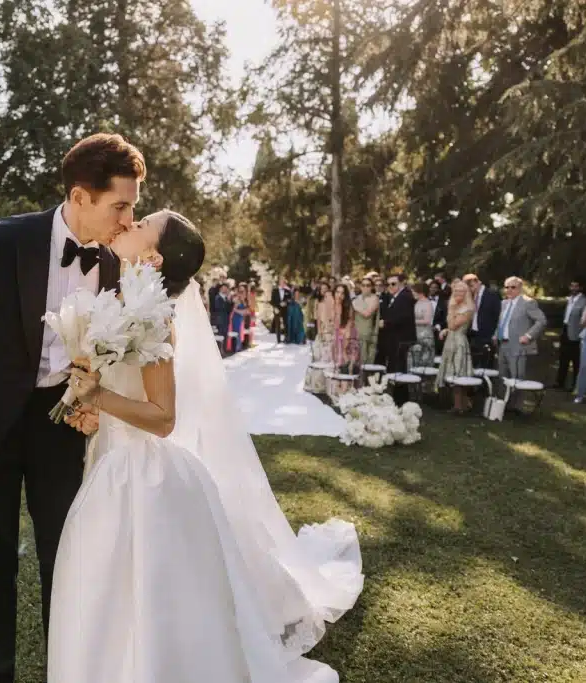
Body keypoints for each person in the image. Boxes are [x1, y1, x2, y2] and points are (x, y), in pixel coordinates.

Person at [53, 210, 363, 683]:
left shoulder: (153, 317)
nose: (127, 225)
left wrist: (98, 394)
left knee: (150, 596)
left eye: (140, 227)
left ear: (152, 256)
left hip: (142, 477)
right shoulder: (117, 303)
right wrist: (94, 411)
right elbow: (125, 395)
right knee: (104, 591)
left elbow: (163, 419)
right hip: (108, 465)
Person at [0, 133, 141, 683]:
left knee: (65, 563)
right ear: (81, 196)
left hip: (60, 430)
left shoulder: (121, 263)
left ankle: (67, 671)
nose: (130, 219)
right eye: (121, 205)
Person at [494, 276, 547, 410]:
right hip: (503, 345)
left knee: (517, 378)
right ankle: (502, 405)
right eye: (507, 287)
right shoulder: (504, 303)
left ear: (520, 288)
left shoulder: (528, 303)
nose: (509, 290)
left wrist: (528, 336)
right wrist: (496, 334)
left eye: (513, 287)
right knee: (502, 377)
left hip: (518, 346)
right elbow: (502, 323)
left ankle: (516, 407)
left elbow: (541, 321)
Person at [436, 279, 475, 413]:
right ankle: (459, 404)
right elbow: (450, 327)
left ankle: (461, 406)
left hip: (459, 343)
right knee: (451, 373)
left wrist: (452, 309)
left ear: (466, 293)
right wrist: (445, 330)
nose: (458, 293)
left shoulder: (468, 308)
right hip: (450, 341)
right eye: (456, 290)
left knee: (458, 373)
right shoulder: (454, 306)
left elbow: (453, 325)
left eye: (461, 291)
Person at [555, 278, 586, 391]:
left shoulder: (584, 301)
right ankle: (560, 382)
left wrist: (581, 334)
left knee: (576, 360)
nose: (573, 288)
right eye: (572, 286)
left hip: (576, 334)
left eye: (576, 286)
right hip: (565, 330)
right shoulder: (570, 299)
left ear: (580, 288)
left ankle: (576, 385)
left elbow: (585, 320)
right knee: (563, 358)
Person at [463, 273, 501, 368]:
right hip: (473, 335)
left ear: (478, 282)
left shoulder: (492, 294)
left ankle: (487, 382)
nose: (470, 289)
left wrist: (496, 334)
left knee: (486, 366)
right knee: (473, 365)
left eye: (471, 286)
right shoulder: (472, 296)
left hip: (487, 336)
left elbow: (499, 316)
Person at [353, 277, 380, 365]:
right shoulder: (356, 299)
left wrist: (354, 306)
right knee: (356, 362)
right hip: (356, 334)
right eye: (363, 285)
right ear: (360, 287)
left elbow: (367, 313)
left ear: (372, 287)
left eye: (368, 285)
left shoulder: (374, 298)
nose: (365, 287)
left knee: (367, 363)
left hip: (369, 335)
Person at [412, 282, 436, 367]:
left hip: (425, 336)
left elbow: (427, 320)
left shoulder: (427, 303)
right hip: (416, 334)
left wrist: (412, 321)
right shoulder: (417, 303)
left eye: (414, 291)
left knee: (424, 362)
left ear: (420, 292)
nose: (412, 293)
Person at [227, 288, 251, 354]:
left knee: (240, 332)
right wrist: (241, 312)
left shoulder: (244, 301)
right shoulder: (237, 300)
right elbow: (234, 309)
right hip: (236, 318)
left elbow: (247, 310)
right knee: (236, 331)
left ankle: (238, 347)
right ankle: (236, 347)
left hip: (240, 318)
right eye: (242, 293)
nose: (244, 295)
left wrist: (245, 312)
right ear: (240, 294)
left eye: (244, 294)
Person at [270, 277, 291, 343]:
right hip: (277, 309)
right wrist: (275, 308)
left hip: (285, 309)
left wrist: (285, 303)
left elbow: (289, 300)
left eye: (284, 282)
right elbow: (272, 301)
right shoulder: (274, 290)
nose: (283, 283)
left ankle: (286, 339)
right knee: (277, 324)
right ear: (279, 282)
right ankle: (278, 340)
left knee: (286, 324)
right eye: (281, 281)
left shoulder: (287, 291)